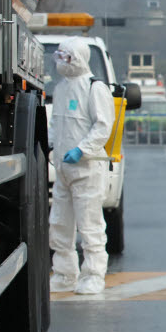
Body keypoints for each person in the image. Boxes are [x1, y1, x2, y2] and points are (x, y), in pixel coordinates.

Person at [48, 37, 115, 294]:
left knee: (90, 225)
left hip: (87, 169)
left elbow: (102, 126)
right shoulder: (63, 88)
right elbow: (56, 123)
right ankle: (65, 274)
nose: (61, 62)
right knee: (60, 224)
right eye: (60, 57)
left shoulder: (94, 87)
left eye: (66, 57)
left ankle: (94, 275)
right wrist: (52, 146)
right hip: (63, 169)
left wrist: (81, 150)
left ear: (77, 57)